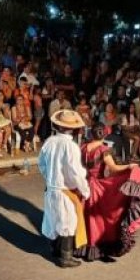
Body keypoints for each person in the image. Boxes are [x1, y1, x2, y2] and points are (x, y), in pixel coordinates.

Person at [78, 123, 140, 262]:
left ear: (91, 134)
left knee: (86, 214)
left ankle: (84, 245)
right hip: (97, 185)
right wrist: (130, 165)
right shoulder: (104, 150)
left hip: (84, 183)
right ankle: (95, 246)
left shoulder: (83, 147)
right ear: (104, 134)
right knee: (98, 217)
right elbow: (114, 169)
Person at [38, 110, 90, 268]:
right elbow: (75, 172)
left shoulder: (50, 141)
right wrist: (85, 189)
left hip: (52, 187)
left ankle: (55, 249)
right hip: (65, 189)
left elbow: (41, 164)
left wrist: (49, 178)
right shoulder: (71, 146)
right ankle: (65, 257)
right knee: (67, 222)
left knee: (54, 218)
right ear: (74, 129)